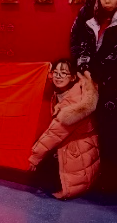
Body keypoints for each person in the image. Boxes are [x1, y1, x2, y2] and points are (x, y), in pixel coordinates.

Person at [70, 0, 117, 192]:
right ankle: (94, 179)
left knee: (112, 136)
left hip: (113, 89)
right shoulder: (91, 20)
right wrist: (84, 68)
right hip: (89, 84)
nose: (107, 0)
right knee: (92, 134)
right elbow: (82, 47)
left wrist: (97, 72)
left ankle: (113, 184)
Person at [29, 62, 101, 200]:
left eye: (63, 73)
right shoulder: (71, 89)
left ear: (73, 77)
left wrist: (34, 158)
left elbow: (54, 133)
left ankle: (64, 186)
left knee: (43, 179)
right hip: (80, 148)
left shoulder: (74, 102)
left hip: (77, 154)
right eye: (56, 73)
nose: (58, 76)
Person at [69, 0, 113, 70]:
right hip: (86, 63)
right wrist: (78, 58)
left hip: (110, 65)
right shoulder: (87, 8)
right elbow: (75, 34)